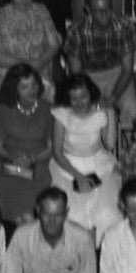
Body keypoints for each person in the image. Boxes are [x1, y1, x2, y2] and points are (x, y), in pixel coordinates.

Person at [51, 73, 122, 244]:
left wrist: (110, 111)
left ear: (90, 94)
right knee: (74, 214)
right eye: (73, 98)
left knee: (108, 213)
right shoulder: (62, 115)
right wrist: (79, 176)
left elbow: (110, 144)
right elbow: (57, 152)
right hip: (68, 168)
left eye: (83, 96)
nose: (79, 102)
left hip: (98, 164)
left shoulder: (100, 113)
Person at [0, 66, 56, 224]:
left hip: (40, 161)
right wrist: (14, 158)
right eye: (24, 87)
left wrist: (32, 158)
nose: (31, 90)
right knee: (10, 204)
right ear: (14, 88)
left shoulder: (47, 108)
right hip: (11, 161)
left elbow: (52, 147)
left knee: (30, 210)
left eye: (34, 85)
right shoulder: (3, 108)